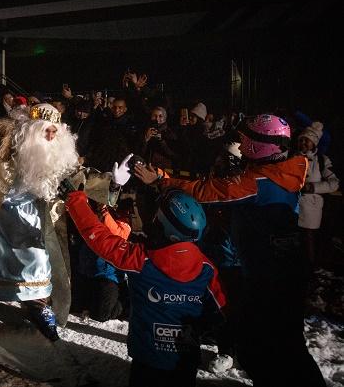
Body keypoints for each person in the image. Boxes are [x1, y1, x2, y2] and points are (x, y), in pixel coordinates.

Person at [134, 114, 327, 387]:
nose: (242, 141)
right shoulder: (283, 171)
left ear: (260, 145)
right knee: (284, 347)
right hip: (281, 274)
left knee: (265, 349)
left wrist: (162, 180)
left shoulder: (257, 182)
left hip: (268, 280)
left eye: (247, 138)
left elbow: (207, 191)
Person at [0, 104, 120, 341]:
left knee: (38, 263)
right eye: (46, 131)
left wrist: (112, 183)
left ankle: (37, 305)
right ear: (32, 129)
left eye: (54, 132)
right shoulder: (4, 137)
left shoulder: (56, 154)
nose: (50, 137)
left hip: (31, 217)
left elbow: (79, 178)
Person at [63, 180, 225, 387]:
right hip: (186, 360)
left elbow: (101, 240)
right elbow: (222, 310)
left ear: (162, 224)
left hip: (147, 359)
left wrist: (76, 202)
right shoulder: (206, 268)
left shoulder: (142, 260)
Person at [296, 121, 339, 267]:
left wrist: (313, 187)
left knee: (310, 240)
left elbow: (334, 183)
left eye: (306, 140)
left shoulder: (322, 160)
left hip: (311, 208)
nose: (303, 142)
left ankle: (311, 269)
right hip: (291, 207)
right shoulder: (291, 158)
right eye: (301, 139)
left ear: (314, 142)